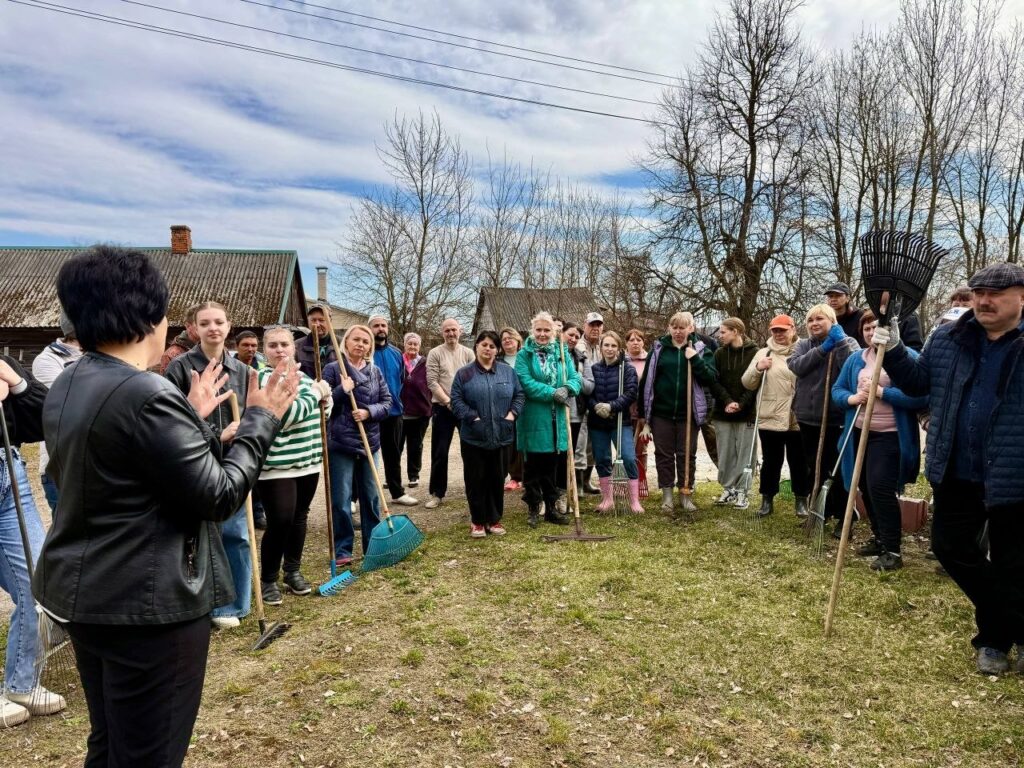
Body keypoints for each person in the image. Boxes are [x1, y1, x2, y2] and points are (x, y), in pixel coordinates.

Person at [35, 245, 295, 765]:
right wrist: (261, 420)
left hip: (90, 596)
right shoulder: (147, 394)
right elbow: (219, 494)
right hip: (147, 608)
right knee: (149, 753)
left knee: (109, 741)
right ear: (148, 317)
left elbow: (138, 471)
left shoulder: (71, 381)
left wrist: (193, 421)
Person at [875, 262, 1024, 675]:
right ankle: (1017, 625)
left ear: (1021, 296)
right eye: (979, 292)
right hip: (956, 468)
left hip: (1015, 472)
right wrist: (894, 348)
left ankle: (994, 641)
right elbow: (918, 383)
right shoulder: (948, 337)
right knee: (951, 547)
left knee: (1015, 561)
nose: (984, 300)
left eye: (996, 293)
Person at [165, 301, 253, 630]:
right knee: (199, 535)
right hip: (196, 458)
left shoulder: (243, 371)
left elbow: (251, 414)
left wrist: (245, 433)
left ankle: (236, 603)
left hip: (233, 460)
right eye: (206, 323)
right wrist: (218, 433)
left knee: (237, 533)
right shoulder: (180, 368)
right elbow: (172, 419)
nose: (213, 327)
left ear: (228, 326)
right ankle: (203, 603)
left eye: (219, 322)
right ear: (194, 329)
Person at [0, 355, 66, 728]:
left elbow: (46, 419)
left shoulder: (3, 362)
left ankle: (21, 685)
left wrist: (16, 382)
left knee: (38, 581)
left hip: (9, 476)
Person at [832, 311, 926, 571]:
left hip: (891, 436)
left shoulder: (907, 359)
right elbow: (837, 390)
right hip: (859, 433)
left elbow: (921, 396)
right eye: (866, 329)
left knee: (880, 488)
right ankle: (879, 537)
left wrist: (883, 392)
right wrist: (851, 399)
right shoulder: (855, 359)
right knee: (862, 485)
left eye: (877, 327)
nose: (871, 333)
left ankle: (893, 551)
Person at [254, 327, 332, 604]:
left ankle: (292, 570)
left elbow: (319, 413)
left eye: (284, 344)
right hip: (277, 466)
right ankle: (267, 579)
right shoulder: (264, 379)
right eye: (272, 345)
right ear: (265, 351)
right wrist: (315, 395)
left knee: (300, 517)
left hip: (308, 462)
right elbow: (286, 417)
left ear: (293, 347)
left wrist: (327, 400)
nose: (279, 350)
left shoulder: (303, 377)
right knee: (280, 521)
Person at [788, 304, 860, 538]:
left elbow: (851, 368)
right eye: (810, 320)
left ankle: (844, 517)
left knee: (837, 470)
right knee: (814, 467)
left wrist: (837, 344)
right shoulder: (803, 345)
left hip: (836, 418)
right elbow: (796, 366)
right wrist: (822, 350)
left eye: (820, 319)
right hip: (808, 417)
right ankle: (819, 512)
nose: (814, 323)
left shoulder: (848, 343)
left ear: (833, 321)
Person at [323, 325, 391, 566]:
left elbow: (387, 402)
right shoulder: (333, 369)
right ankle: (343, 549)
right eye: (356, 339)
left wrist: (368, 412)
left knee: (371, 496)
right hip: (341, 442)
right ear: (346, 342)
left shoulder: (375, 372)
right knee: (341, 499)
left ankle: (372, 545)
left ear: (370, 346)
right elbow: (324, 403)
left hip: (369, 441)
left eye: (365, 341)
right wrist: (343, 390)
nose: (360, 344)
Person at [637, 312, 717, 516]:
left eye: (683, 327)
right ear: (669, 328)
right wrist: (643, 414)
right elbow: (646, 381)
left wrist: (695, 360)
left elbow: (710, 377)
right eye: (675, 327)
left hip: (688, 414)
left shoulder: (700, 349)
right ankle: (667, 496)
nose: (678, 331)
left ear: (691, 328)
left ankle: (686, 493)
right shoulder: (659, 349)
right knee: (663, 455)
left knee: (686, 455)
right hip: (661, 413)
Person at [450, 330, 525, 537]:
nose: (488, 349)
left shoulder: (507, 372)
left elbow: (519, 395)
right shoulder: (464, 374)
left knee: (496, 477)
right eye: (484, 345)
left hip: (502, 435)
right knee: (476, 479)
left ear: (497, 349)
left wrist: (512, 415)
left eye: (492, 346)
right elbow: (455, 400)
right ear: (476, 347)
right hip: (474, 437)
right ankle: (477, 521)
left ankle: (494, 519)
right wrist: (472, 418)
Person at [515, 312, 582, 528]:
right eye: (539, 330)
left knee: (552, 464)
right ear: (532, 331)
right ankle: (534, 507)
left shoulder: (561, 352)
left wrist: (567, 388)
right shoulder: (524, 355)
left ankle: (551, 508)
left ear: (553, 332)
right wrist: (552, 392)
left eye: (547, 330)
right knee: (534, 464)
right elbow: (525, 383)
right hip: (535, 417)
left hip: (557, 419)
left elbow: (575, 378)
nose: (543, 334)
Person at [741, 314, 809, 518]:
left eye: (783, 330)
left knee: (799, 461)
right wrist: (757, 368)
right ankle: (767, 500)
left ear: (793, 330)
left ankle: (801, 501)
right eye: (775, 330)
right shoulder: (764, 353)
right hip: (770, 416)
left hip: (798, 416)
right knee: (771, 461)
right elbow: (747, 383)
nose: (779, 334)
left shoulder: (805, 350)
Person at [31, 312, 83, 512]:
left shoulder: (101, 355)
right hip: (61, 467)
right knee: (70, 539)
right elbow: (69, 404)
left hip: (94, 465)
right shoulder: (47, 360)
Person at [588, 331, 642, 513]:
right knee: (602, 459)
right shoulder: (594, 369)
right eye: (606, 345)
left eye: (613, 346)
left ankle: (634, 501)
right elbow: (587, 394)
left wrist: (611, 406)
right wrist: (596, 407)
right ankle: (607, 499)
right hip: (598, 423)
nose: (609, 349)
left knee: (627, 457)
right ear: (601, 347)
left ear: (619, 348)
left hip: (620, 420)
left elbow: (631, 393)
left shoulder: (627, 369)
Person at [708, 318, 759, 509]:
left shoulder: (755, 353)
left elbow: (755, 382)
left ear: (736, 331)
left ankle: (742, 491)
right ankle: (728, 489)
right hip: (723, 412)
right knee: (726, 452)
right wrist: (728, 402)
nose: (720, 336)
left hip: (747, 413)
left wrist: (742, 404)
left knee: (746, 453)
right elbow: (714, 381)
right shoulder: (719, 354)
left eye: (723, 332)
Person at [425, 318, 474, 509]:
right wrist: (448, 402)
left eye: (454, 330)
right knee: (440, 451)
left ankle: (473, 488)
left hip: (465, 407)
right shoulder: (435, 353)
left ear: (460, 331)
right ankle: (437, 493)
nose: (451, 333)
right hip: (442, 408)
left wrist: (461, 404)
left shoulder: (468, 353)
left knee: (470, 450)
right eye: (447, 330)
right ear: (442, 332)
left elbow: (473, 380)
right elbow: (432, 382)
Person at [369, 315, 418, 507]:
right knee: (363, 455)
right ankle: (355, 497)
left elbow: (401, 379)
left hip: (394, 412)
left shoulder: (397, 353)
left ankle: (397, 492)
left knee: (393, 453)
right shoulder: (365, 352)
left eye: (383, 325)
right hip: (369, 413)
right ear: (369, 329)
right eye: (376, 326)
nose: (381, 329)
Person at [560, 321, 596, 504]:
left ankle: (574, 488)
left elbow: (589, 387)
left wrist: (575, 376)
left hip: (576, 412)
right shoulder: (554, 355)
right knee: (558, 454)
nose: (573, 339)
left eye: (576, 336)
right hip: (558, 412)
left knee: (576, 452)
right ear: (561, 334)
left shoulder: (582, 358)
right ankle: (558, 493)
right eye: (570, 334)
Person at [575, 312, 604, 493]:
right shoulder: (579, 347)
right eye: (592, 325)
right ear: (585, 325)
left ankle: (586, 482)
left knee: (593, 445)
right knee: (580, 443)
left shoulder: (604, 346)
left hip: (599, 401)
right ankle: (577, 484)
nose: (595, 328)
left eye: (598, 325)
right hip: (582, 401)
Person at [399, 332, 430, 489]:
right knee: (396, 445)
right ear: (404, 345)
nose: (412, 346)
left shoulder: (425, 363)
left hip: (420, 411)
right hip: (399, 412)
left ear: (419, 346)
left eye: (415, 344)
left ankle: (413, 475)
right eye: (409, 343)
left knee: (415, 445)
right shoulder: (399, 361)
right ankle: (393, 476)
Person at [499, 327, 525, 491]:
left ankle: (522, 476)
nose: (507, 341)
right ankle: (509, 476)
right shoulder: (498, 361)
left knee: (523, 441)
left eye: (510, 338)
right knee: (508, 441)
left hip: (525, 404)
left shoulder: (525, 358)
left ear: (518, 340)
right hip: (505, 406)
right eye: (504, 339)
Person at [296, 304, 337, 379]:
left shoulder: (342, 344)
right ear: (308, 322)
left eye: (321, 320)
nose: (317, 324)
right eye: (313, 320)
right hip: (308, 389)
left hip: (335, 390)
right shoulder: (297, 346)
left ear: (330, 322)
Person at [158, 303, 199, 374]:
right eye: (202, 323)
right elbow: (167, 384)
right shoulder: (171, 355)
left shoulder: (219, 349)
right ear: (188, 326)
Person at [825, 282, 866, 347]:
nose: (833, 299)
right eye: (830, 296)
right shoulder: (825, 319)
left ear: (847, 298)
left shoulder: (861, 316)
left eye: (838, 295)